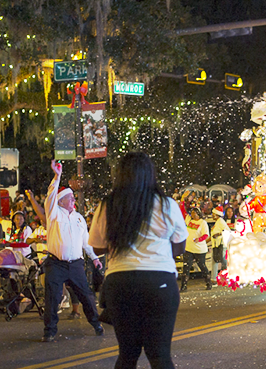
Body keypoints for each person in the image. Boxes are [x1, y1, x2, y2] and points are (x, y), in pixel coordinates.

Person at [88, 152, 188, 369]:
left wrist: (122, 239)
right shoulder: (166, 204)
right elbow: (180, 246)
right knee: (160, 356)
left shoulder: (109, 205)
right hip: (159, 282)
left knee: (127, 355)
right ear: (150, 175)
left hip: (120, 282)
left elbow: (96, 245)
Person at [41, 159, 104, 342]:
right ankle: (50, 330)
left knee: (86, 295)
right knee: (52, 298)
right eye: (71, 198)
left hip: (76, 264)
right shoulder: (54, 213)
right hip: (56, 264)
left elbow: (86, 241)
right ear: (61, 201)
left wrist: (94, 258)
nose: (74, 201)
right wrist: (57, 175)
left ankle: (96, 323)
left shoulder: (79, 218)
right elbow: (51, 195)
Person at [182, 207, 212, 291]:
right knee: (186, 267)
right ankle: (183, 286)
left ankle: (208, 282)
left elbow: (206, 235)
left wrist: (199, 239)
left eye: (194, 213)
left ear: (198, 214)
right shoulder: (189, 221)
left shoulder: (203, 223)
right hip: (188, 248)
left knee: (202, 266)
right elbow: (183, 210)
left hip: (199, 249)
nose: (192, 214)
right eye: (191, 213)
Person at [209, 205, 228, 281]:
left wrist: (218, 234)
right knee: (215, 260)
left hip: (221, 244)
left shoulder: (221, 221)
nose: (212, 216)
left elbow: (227, 231)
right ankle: (213, 278)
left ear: (217, 215)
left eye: (213, 214)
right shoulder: (217, 222)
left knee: (223, 261)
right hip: (216, 244)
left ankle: (228, 275)